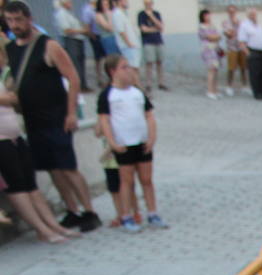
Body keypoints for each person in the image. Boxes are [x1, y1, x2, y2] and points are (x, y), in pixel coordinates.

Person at [3, 1, 100, 231]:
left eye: (18, 20)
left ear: (28, 19)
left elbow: (73, 78)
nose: (14, 25)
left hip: (56, 116)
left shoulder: (49, 45)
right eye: (10, 20)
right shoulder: (11, 49)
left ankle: (89, 211)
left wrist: (70, 113)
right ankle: (72, 210)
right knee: (51, 168)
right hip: (32, 118)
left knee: (67, 166)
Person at [1, 76, 81, 242]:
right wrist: (8, 97)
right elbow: (9, 98)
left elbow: (14, 99)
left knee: (31, 185)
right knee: (17, 187)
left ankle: (53, 225)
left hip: (15, 136)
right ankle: (42, 229)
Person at [97, 54, 166, 230]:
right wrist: (112, 142)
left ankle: (153, 213)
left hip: (142, 141)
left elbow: (149, 115)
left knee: (146, 179)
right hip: (124, 143)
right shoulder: (108, 95)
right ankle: (127, 215)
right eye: (124, 67)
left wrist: (152, 137)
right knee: (126, 181)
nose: (129, 71)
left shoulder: (137, 92)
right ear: (113, 72)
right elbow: (104, 120)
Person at [53, 0, 88, 91]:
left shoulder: (69, 13)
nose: (71, 3)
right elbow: (67, 30)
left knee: (80, 63)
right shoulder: (61, 14)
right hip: (71, 40)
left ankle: (83, 85)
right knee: (76, 63)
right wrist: (82, 31)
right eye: (69, 2)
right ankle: (79, 86)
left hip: (78, 39)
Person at [239, 8, 262, 100]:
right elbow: (242, 42)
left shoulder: (258, 24)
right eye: (252, 14)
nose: (253, 16)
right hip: (254, 52)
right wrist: (248, 53)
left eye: (255, 14)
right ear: (248, 15)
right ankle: (257, 93)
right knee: (255, 74)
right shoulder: (244, 25)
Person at [136, 0, 166, 90]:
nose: (148, 5)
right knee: (149, 63)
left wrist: (151, 16)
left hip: (158, 41)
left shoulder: (156, 14)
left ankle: (161, 83)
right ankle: (148, 83)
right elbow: (144, 29)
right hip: (147, 41)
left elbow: (161, 27)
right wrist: (155, 29)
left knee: (160, 62)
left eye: (150, 3)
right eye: (146, 3)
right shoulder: (141, 14)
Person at [220, 3, 246, 96]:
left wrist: (237, 25)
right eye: (230, 11)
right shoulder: (225, 22)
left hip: (240, 47)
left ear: (236, 12)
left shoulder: (240, 22)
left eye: (233, 11)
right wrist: (234, 27)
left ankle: (244, 86)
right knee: (231, 68)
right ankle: (229, 86)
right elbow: (229, 34)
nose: (232, 13)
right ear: (228, 12)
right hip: (231, 48)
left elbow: (244, 33)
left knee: (243, 67)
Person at [197, 8, 221, 99]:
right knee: (211, 69)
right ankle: (210, 90)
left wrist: (215, 37)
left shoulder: (212, 25)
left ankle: (215, 90)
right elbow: (209, 37)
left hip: (215, 49)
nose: (209, 16)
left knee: (215, 70)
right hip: (208, 50)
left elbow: (218, 36)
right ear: (203, 16)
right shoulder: (201, 26)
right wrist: (215, 37)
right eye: (207, 15)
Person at [111, 0, 140, 75]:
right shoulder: (117, 14)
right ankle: (134, 85)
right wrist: (129, 43)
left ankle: (136, 85)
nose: (127, 2)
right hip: (127, 46)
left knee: (135, 67)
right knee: (132, 68)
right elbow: (121, 31)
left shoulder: (123, 13)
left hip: (132, 44)